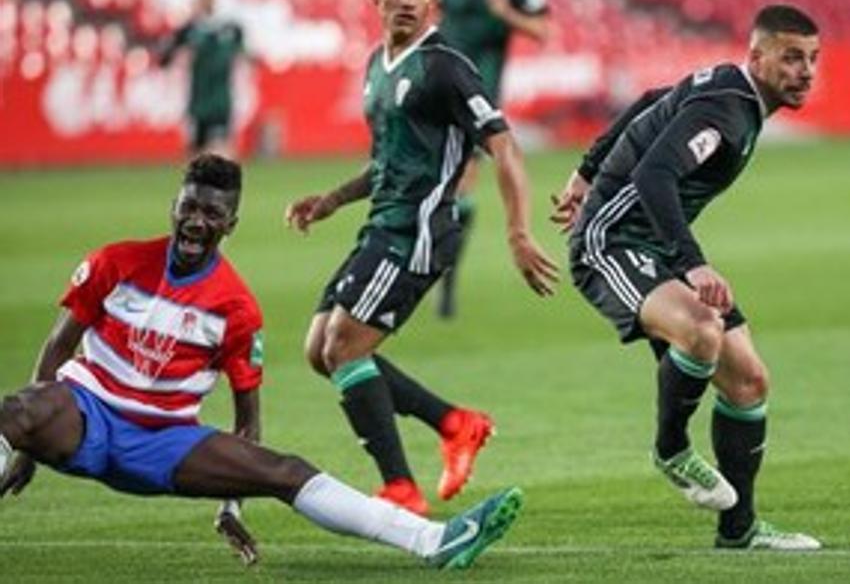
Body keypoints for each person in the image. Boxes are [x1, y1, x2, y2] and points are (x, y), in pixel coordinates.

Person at [0, 155, 522, 570]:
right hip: (85, 412)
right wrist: (26, 445)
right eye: (189, 207)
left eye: (211, 214)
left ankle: (435, 541)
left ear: (231, 223)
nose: (196, 221)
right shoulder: (115, 263)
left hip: (165, 441)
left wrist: (231, 503)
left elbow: (246, 419)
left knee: (286, 471)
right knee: (14, 412)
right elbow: (57, 347)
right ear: (174, 206)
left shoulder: (237, 308)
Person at [285, 0, 557, 517]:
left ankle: (400, 490)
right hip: (381, 224)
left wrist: (517, 233)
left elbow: (504, 148)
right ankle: (455, 424)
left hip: (419, 233)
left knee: (342, 347)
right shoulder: (374, 67)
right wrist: (332, 200)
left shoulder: (446, 67)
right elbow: (387, 161)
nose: (408, 0)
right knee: (319, 351)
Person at [551, 5, 824, 550]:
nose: (806, 71)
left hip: (655, 242)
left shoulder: (728, 88)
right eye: (792, 57)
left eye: (813, 59)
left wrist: (586, 169)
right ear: (757, 56)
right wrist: (693, 261)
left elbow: (653, 100)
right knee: (702, 328)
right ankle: (671, 449)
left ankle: (739, 529)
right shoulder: (727, 110)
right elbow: (656, 174)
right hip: (611, 240)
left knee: (749, 382)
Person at [436, 0, 551, 319]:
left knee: (460, 183)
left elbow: (544, 29)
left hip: (480, 98)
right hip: (437, 91)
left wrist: (506, 12)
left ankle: (445, 285)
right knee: (435, 186)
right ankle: (438, 273)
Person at [157, 0, 248, 159]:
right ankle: (196, 187)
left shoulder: (230, 27)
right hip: (198, 102)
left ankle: (228, 186)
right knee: (195, 155)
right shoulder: (190, 29)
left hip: (222, 100)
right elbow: (164, 58)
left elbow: (245, 56)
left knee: (223, 151)